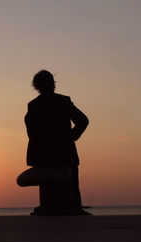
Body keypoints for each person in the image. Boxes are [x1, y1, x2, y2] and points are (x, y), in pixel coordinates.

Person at [22, 69, 89, 214]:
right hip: (64, 152)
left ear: (36, 86)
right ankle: (73, 208)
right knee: (69, 183)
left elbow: (30, 132)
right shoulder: (63, 101)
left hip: (43, 154)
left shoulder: (33, 106)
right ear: (53, 84)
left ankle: (48, 207)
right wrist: (71, 137)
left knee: (48, 183)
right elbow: (83, 120)